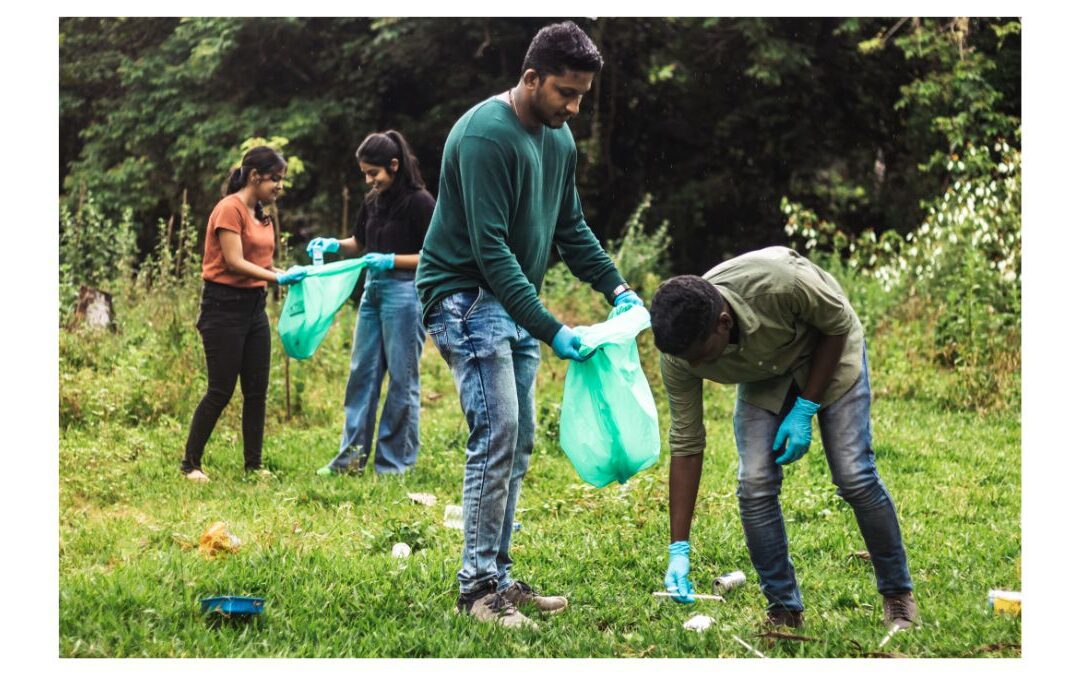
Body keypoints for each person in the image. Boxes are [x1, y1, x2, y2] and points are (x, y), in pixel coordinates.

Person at [415, 21, 643, 628]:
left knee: (517, 443)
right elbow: (491, 251)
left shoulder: (557, 140)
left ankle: (499, 576)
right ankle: (476, 592)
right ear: (530, 78)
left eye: (582, 97)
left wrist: (616, 287)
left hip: (508, 301)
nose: (573, 107)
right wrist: (552, 327)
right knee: (497, 435)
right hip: (464, 296)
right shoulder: (487, 137)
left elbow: (570, 229)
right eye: (564, 93)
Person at [649, 246, 918, 631]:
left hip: (830, 351)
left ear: (724, 323)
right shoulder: (681, 351)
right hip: (765, 377)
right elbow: (687, 443)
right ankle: (783, 609)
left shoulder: (781, 282)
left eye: (703, 357)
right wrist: (678, 546)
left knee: (853, 474)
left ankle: (898, 594)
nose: (696, 367)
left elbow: (837, 325)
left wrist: (806, 407)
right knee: (754, 482)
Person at [305, 131, 435, 476]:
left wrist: (392, 260)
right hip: (373, 292)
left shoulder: (421, 202)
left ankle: (393, 463)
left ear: (394, 166)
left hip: (405, 294)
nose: (369, 179)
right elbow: (359, 242)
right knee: (361, 375)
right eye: (365, 173)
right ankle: (350, 460)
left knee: (401, 379)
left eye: (373, 172)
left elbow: (433, 257)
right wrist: (333, 244)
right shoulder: (373, 199)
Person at [181, 146, 307, 482]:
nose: (279, 186)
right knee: (220, 390)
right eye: (275, 179)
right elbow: (235, 263)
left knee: (256, 391)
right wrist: (277, 277)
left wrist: (285, 273)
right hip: (223, 307)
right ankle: (190, 464)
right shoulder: (229, 210)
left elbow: (260, 266)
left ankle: (254, 465)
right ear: (254, 176)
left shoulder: (261, 213)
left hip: (254, 308)